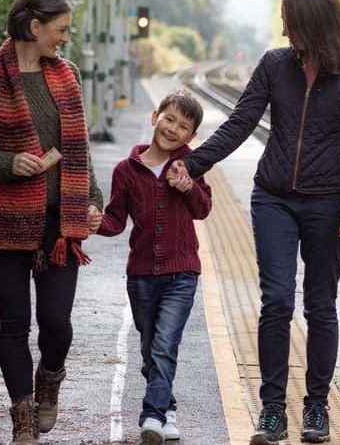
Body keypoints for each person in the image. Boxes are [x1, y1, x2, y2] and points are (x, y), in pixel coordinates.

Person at [168, 0, 340, 442]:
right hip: (274, 198)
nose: (284, 29)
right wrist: (191, 163)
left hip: (328, 202)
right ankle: (272, 410)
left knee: (320, 306)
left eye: (290, 20)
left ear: (313, 23)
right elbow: (240, 123)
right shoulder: (274, 65)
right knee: (277, 301)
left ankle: (317, 408)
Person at [0, 0, 103, 443]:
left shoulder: (68, 75)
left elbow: (79, 151)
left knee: (56, 323)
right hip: (6, 220)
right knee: (14, 323)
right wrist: (7, 163)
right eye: (60, 30)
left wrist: (92, 201)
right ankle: (23, 418)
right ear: (34, 27)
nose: (65, 40)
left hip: (60, 224)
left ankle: (50, 378)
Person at [97, 90, 210, 445]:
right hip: (142, 275)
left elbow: (203, 208)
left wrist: (188, 186)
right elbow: (115, 220)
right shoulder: (125, 171)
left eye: (184, 126)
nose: (174, 128)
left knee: (164, 345)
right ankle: (168, 407)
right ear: (154, 117)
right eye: (169, 118)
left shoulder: (190, 165)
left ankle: (152, 415)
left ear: (192, 137)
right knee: (149, 350)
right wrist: (93, 222)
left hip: (181, 273)